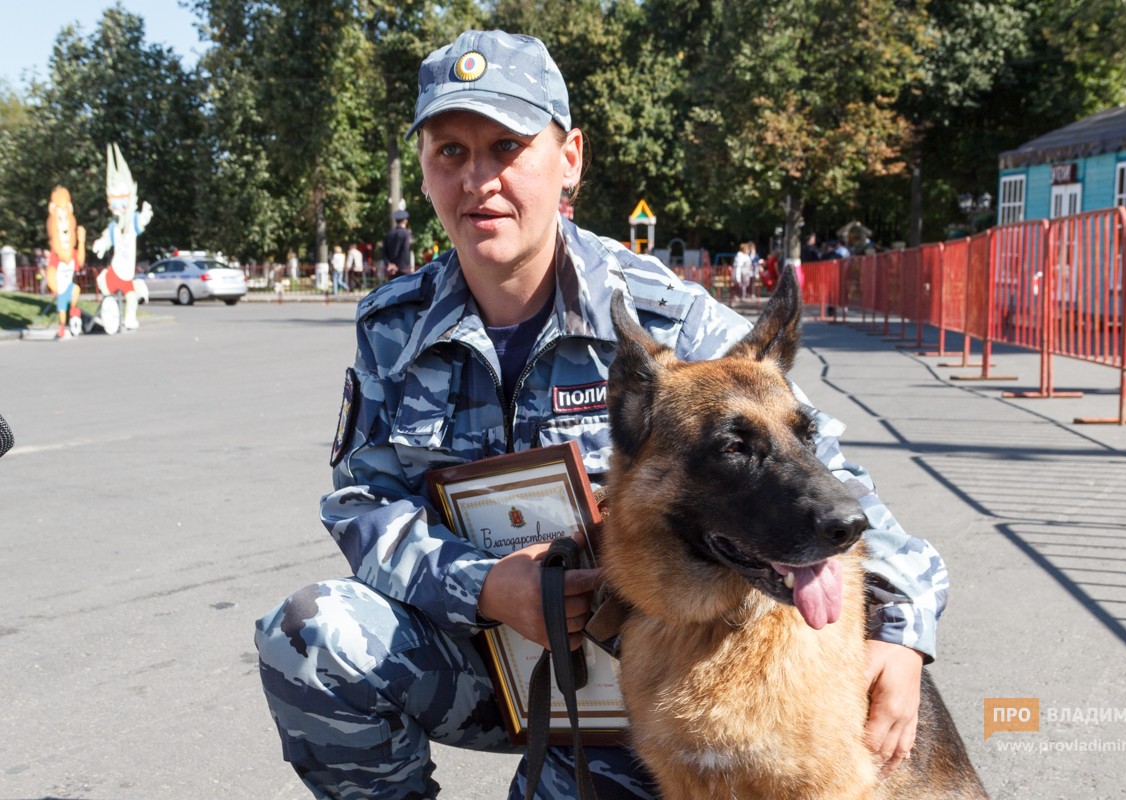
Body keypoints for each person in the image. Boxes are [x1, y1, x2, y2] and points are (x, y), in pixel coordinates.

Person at [254, 29, 948, 800]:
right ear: (423, 170)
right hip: (477, 650)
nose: (478, 178)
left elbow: (826, 480)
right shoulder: (394, 324)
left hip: (634, 687)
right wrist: (484, 587)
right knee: (311, 636)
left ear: (570, 157)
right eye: (450, 151)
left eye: (507, 146)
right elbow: (362, 504)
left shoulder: (667, 318)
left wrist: (904, 632)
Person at [383, 208, 413, 279]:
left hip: (392, 270)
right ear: (405, 221)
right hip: (403, 270)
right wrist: (400, 266)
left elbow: (384, 252)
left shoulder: (389, 234)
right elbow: (405, 251)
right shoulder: (406, 233)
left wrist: (389, 264)